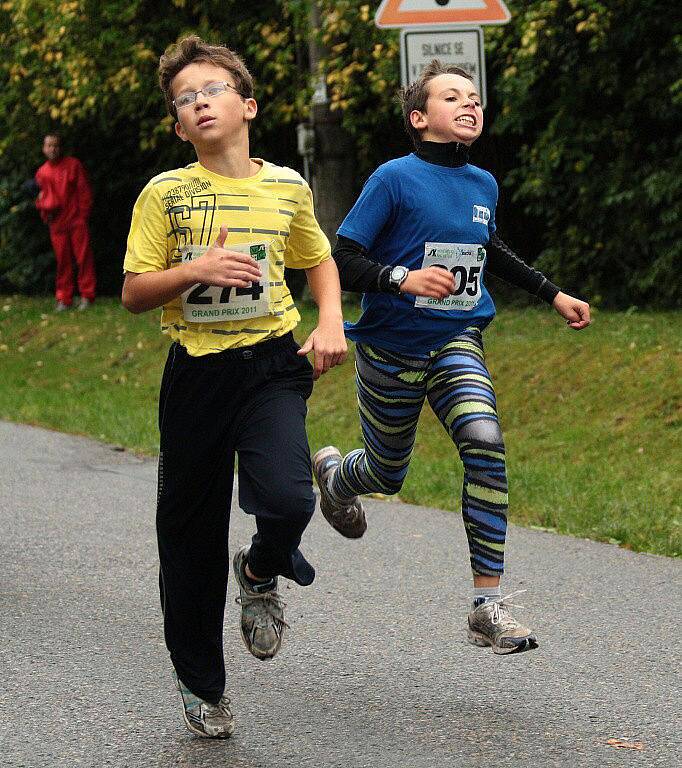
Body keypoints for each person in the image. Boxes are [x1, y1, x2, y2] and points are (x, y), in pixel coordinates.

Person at [312, 60, 591, 657]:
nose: (470, 105)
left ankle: (486, 603)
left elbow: (492, 253)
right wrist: (402, 279)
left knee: (485, 441)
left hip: (456, 338)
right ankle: (337, 477)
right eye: (453, 97)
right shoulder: (393, 178)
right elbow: (344, 256)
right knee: (388, 471)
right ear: (419, 118)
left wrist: (553, 294)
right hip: (390, 347)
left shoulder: (483, 184)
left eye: (474, 97)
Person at [121, 36, 346, 739]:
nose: (198, 102)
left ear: (246, 105)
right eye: (184, 100)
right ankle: (201, 684)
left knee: (287, 497)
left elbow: (319, 261)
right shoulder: (166, 194)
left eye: (210, 89)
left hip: (272, 365)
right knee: (187, 535)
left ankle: (258, 568)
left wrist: (332, 321)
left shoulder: (286, 186)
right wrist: (195, 270)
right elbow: (132, 291)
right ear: (178, 126)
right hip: (197, 375)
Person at [35, 134, 96, 311]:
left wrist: (83, 217)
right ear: (44, 148)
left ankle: (87, 295)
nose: (52, 149)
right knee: (63, 262)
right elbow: (41, 199)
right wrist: (46, 216)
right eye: (49, 146)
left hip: (76, 221)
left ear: (60, 147)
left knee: (83, 258)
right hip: (57, 225)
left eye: (55, 145)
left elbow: (84, 192)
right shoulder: (42, 172)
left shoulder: (73, 165)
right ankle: (64, 298)